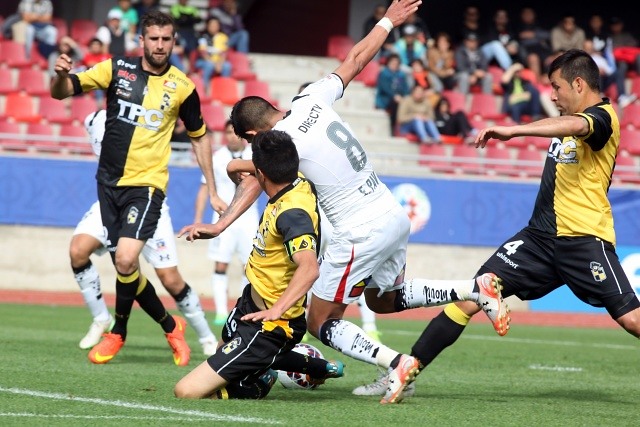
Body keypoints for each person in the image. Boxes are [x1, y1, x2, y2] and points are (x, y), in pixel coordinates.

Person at [180, 0, 509, 405]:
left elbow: (253, 175)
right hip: (390, 211)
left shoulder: (281, 145)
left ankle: (396, 364)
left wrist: (225, 199)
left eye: (250, 142)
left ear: (252, 133)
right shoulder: (310, 98)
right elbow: (355, 59)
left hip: (359, 230)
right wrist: (388, 20)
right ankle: (473, 288)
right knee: (382, 299)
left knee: (320, 320)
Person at [363, 48, 640, 397]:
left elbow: (576, 124)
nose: (552, 95)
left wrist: (514, 131)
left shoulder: (603, 118)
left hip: (583, 240)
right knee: (473, 293)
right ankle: (406, 371)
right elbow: (563, 124)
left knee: (632, 319)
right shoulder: (566, 118)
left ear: (579, 83)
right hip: (538, 240)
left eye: (556, 87)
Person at [50, 10, 226, 366]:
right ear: (142, 40)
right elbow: (61, 93)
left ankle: (118, 331)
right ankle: (169, 324)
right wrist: (60, 76)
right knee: (125, 267)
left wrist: (213, 187)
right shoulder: (116, 69)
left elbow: (200, 137)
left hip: (145, 187)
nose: (160, 45)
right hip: (107, 185)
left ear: (174, 41)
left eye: (166, 39)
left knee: (128, 259)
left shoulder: (183, 87)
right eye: (154, 39)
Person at [175, 129, 344, 400]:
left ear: (263, 172)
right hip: (249, 304)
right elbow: (245, 173)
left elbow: (309, 268)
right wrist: (219, 224)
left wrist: (276, 309)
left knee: (187, 392)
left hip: (271, 326)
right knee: (221, 357)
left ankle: (261, 381)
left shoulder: (293, 215)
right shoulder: (297, 179)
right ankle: (319, 367)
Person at [73, 110, 218, 356]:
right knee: (80, 251)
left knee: (170, 279)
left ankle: (205, 336)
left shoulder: (144, 115)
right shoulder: (93, 118)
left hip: (147, 201)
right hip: (110, 201)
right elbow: (63, 91)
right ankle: (103, 320)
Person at [193, 120, 258, 326]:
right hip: (223, 219)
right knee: (221, 265)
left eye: (235, 132)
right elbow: (205, 189)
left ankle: (243, 308)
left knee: (250, 267)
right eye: (228, 132)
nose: (231, 136)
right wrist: (198, 219)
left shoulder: (255, 155)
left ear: (242, 135)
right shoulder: (217, 158)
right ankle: (221, 312)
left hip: (248, 220)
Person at [194, 17, 232, 94]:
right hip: (203, 61)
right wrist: (215, 64)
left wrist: (220, 63)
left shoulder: (223, 37)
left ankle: (223, 90)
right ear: (207, 26)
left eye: (216, 25)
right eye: (211, 25)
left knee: (227, 66)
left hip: (218, 61)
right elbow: (203, 53)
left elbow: (224, 53)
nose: (213, 27)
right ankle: (204, 89)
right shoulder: (202, 37)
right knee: (209, 65)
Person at [374, 53, 410, 134]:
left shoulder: (401, 74)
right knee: (395, 105)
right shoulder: (384, 73)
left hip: (400, 98)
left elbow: (405, 88)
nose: (394, 65)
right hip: (386, 98)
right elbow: (385, 88)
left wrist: (404, 96)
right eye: (392, 62)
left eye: (396, 63)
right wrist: (395, 96)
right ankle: (393, 129)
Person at [516, 6, 552, 84]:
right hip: (527, 53)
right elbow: (518, 37)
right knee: (534, 58)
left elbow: (548, 35)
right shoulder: (518, 26)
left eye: (530, 13)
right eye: (525, 13)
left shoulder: (538, 25)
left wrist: (534, 34)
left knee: (552, 58)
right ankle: (538, 85)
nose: (528, 15)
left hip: (542, 51)